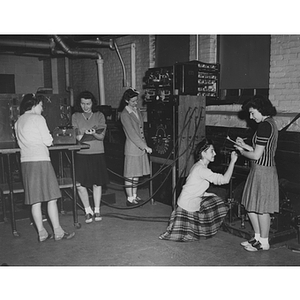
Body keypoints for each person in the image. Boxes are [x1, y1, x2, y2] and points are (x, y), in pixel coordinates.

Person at [15, 93, 75, 242]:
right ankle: (58, 231)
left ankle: (42, 233)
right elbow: (48, 141)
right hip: (41, 161)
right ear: (34, 105)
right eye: (41, 105)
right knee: (52, 198)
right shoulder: (38, 118)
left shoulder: (18, 121)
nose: (42, 109)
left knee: (35, 200)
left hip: (26, 163)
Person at [159, 138, 238, 241]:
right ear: (203, 153)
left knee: (215, 199)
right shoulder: (201, 169)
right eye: (211, 151)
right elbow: (225, 180)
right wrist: (232, 162)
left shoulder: (198, 165)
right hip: (187, 206)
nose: (214, 154)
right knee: (219, 203)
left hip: (188, 202)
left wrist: (208, 194)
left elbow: (195, 187)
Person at [234, 95, 279, 251]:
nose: (251, 117)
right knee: (251, 205)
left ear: (262, 110)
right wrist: (244, 145)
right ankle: (257, 237)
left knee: (262, 208)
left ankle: (264, 242)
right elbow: (258, 150)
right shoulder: (269, 123)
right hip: (259, 170)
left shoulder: (265, 126)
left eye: (253, 113)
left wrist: (241, 151)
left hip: (264, 171)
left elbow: (256, 155)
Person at [72, 91, 109, 223]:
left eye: (88, 103)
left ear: (93, 103)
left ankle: (97, 209)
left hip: (97, 153)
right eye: (83, 103)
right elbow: (78, 137)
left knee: (97, 183)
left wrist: (92, 133)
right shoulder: (75, 116)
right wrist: (92, 133)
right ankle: (88, 210)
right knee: (80, 184)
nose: (85, 106)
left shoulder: (99, 115)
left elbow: (101, 136)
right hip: (82, 154)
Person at [119, 87, 152, 206]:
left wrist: (144, 145)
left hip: (140, 147)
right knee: (130, 175)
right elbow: (132, 134)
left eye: (136, 100)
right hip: (132, 148)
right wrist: (144, 146)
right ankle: (129, 198)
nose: (135, 103)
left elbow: (141, 129)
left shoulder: (136, 110)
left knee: (136, 174)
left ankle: (134, 195)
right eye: (133, 101)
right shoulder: (124, 115)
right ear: (127, 101)